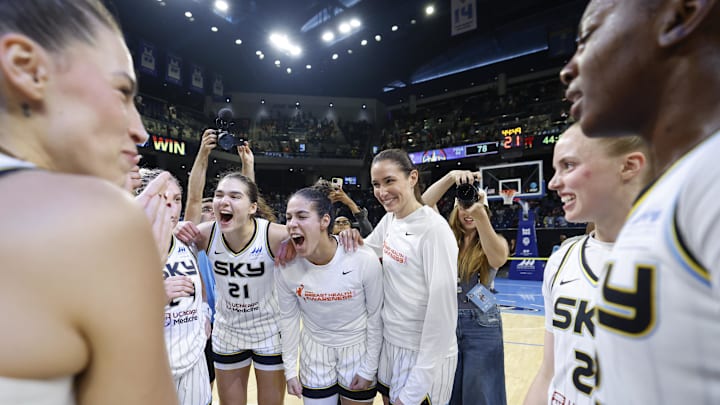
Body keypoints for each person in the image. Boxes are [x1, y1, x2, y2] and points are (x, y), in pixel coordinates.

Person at [0, 1, 176, 403]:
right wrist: (140, 279)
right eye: (122, 93)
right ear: (27, 68)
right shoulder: (100, 222)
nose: (141, 131)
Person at [559, 1, 720, 403]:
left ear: (682, 14)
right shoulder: (673, 189)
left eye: (587, 38)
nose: (568, 68)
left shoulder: (710, 178)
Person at [522, 124, 652, 405]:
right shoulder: (562, 259)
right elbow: (548, 372)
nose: (553, 183)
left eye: (568, 165)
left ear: (628, 166)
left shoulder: (687, 263)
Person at [340, 149, 459, 405]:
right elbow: (365, 250)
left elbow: (444, 316)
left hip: (424, 354)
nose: (382, 191)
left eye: (390, 181)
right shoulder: (391, 220)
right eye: (376, 184)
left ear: (412, 178)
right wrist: (342, 239)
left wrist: (418, 385)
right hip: (392, 344)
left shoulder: (434, 231)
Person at [176, 170, 287, 405]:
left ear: (252, 207)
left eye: (235, 196)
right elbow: (169, 250)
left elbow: (318, 244)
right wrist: (175, 232)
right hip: (228, 330)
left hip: (269, 330)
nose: (224, 201)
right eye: (219, 195)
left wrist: (346, 236)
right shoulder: (205, 234)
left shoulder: (274, 235)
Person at [276, 185, 383, 405]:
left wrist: (370, 367)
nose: (292, 223)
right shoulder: (286, 265)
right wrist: (289, 370)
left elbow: (376, 317)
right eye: (288, 217)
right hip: (315, 351)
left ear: (325, 221)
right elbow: (288, 320)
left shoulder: (362, 257)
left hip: (358, 349)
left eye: (302, 216)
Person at [421, 170, 509, 405]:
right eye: (463, 206)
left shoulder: (493, 241)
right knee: (447, 391)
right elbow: (423, 203)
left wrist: (480, 215)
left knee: (481, 393)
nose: (468, 212)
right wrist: (450, 177)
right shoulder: (444, 235)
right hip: (446, 320)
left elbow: (498, 260)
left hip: (482, 321)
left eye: (474, 206)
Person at [139, 169, 213, 405]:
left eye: (176, 200)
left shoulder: (184, 240)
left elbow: (197, 280)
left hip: (193, 356)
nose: (171, 207)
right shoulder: (125, 245)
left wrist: (204, 311)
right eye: (163, 199)